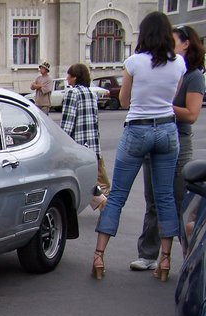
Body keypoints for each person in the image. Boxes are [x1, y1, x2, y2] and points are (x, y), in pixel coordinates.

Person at [92, 11, 186, 281]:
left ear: (143, 34)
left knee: (118, 194)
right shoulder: (178, 62)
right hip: (167, 129)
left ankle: (99, 256)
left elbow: (123, 100)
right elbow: (173, 94)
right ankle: (165, 262)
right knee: (165, 196)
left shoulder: (134, 62)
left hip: (138, 128)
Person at [130, 24, 206, 271]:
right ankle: (148, 255)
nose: (167, 45)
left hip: (178, 140)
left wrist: (159, 105)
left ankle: (188, 254)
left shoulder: (193, 75)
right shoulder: (161, 68)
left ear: (186, 44)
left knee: (178, 198)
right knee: (152, 199)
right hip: (156, 134)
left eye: (173, 41)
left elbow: (192, 114)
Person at [60, 63, 110, 211]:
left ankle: (102, 202)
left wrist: (62, 144)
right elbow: (94, 120)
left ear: (75, 78)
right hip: (93, 144)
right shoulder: (91, 93)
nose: (67, 78)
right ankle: (106, 203)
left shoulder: (72, 93)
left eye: (69, 76)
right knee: (97, 178)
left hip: (78, 144)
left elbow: (68, 122)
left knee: (79, 179)